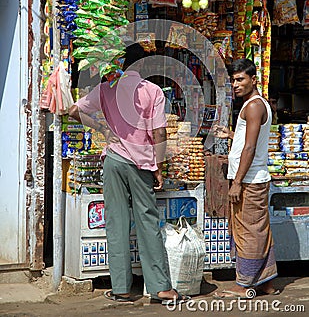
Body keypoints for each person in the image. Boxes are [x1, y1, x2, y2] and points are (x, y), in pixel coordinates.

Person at [69, 42, 189, 305]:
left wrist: (101, 129)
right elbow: (159, 132)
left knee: (116, 224)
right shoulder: (152, 91)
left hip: (113, 160)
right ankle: (160, 288)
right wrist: (157, 166)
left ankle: (121, 288)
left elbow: (74, 110)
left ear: (122, 64)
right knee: (148, 223)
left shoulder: (106, 88)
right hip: (140, 163)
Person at [213, 59, 278, 298]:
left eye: (240, 79)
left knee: (248, 231)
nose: (235, 85)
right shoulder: (257, 105)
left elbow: (250, 148)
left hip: (250, 180)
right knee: (259, 229)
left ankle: (245, 283)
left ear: (253, 79)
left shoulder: (253, 106)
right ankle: (266, 282)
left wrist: (237, 181)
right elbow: (248, 139)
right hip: (254, 177)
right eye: (233, 80)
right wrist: (231, 135)